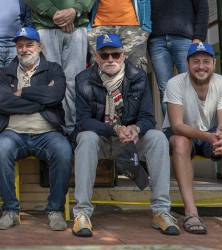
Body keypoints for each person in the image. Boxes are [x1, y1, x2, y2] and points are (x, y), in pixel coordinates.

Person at [72, 33, 178, 237]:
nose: (110, 59)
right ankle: (82, 213)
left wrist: (136, 129)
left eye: (115, 54)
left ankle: (161, 211)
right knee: (85, 137)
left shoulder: (138, 76)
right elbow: (83, 121)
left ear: (124, 55)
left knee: (158, 138)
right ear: (96, 56)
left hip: (131, 138)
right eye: (105, 55)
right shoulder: (83, 79)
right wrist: (114, 129)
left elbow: (148, 117)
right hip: (102, 138)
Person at [20, 0, 97, 135]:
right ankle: (53, 128)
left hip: (76, 29)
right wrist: (54, 13)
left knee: (74, 80)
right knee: (49, 81)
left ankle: (72, 128)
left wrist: (74, 11)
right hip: (45, 30)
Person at [165, 42, 222, 235]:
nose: (201, 66)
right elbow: (177, 125)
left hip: (211, 133)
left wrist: (221, 135)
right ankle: (191, 212)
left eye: (206, 61)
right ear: (187, 64)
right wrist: (208, 136)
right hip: (182, 133)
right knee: (180, 142)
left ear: (214, 63)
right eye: (196, 61)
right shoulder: (175, 83)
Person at [0, 27, 72, 231]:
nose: (24, 49)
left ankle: (55, 211)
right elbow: (4, 103)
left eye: (29, 45)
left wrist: (23, 92)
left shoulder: (53, 69)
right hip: (13, 133)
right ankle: (10, 210)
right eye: (20, 45)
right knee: (0, 150)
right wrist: (41, 99)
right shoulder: (5, 73)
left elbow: (56, 95)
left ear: (39, 46)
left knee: (63, 151)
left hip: (47, 133)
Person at [147, 0, 209, 101]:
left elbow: (202, 8)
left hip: (185, 40)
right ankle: (170, 127)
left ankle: (192, 126)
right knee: (164, 89)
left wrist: (198, 38)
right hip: (157, 42)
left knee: (190, 84)